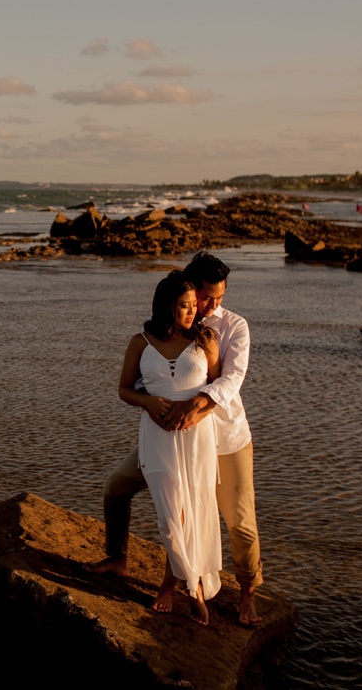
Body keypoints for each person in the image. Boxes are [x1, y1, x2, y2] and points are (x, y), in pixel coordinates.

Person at [89, 252, 264, 627]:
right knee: (117, 488)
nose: (211, 305)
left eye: (219, 297)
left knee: (240, 522)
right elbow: (141, 381)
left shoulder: (232, 327)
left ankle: (247, 592)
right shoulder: (165, 325)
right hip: (166, 435)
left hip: (223, 437)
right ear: (187, 290)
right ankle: (118, 558)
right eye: (205, 296)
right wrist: (154, 404)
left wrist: (195, 406)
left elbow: (230, 380)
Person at [115, 270, 222, 624]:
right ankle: (191, 586)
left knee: (193, 513)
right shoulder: (140, 342)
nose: (192, 312)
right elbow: (125, 389)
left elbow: (219, 391)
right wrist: (148, 403)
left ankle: (175, 585)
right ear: (166, 306)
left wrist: (194, 412)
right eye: (183, 306)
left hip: (197, 436)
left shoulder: (206, 340)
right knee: (169, 514)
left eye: (194, 305)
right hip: (158, 435)